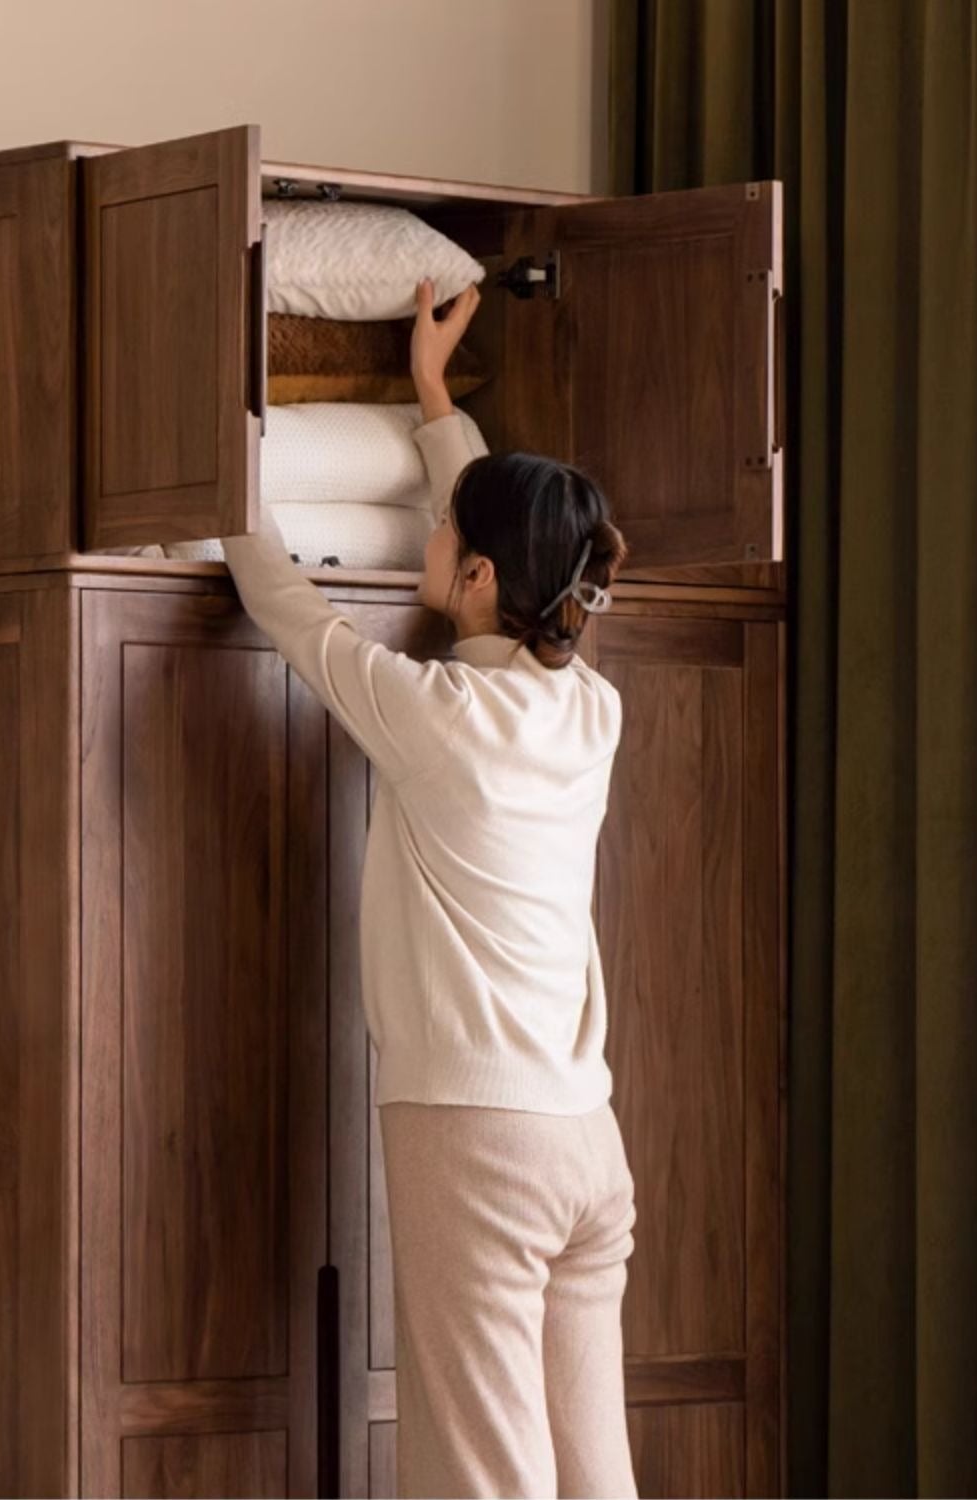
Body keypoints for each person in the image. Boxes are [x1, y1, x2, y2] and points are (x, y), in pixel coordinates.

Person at [221, 277, 637, 1500]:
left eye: (446, 533)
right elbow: (526, 560)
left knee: (481, 1473)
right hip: (583, 1141)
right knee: (588, 1466)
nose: (429, 538)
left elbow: (279, 600)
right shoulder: (591, 712)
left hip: (477, 1139)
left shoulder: (433, 713)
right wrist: (433, 400)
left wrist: (216, 450)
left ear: (474, 576)